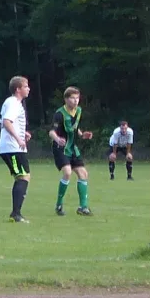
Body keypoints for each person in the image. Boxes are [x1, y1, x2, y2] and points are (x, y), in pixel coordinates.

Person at [49, 86, 94, 216]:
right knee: (67, 173)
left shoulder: (78, 111)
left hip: (73, 148)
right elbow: (52, 132)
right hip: (61, 148)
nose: (75, 101)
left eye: (77, 98)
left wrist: (81, 134)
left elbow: (75, 128)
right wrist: (57, 139)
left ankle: (83, 207)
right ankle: (59, 204)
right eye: (72, 98)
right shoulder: (59, 114)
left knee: (83, 174)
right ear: (66, 99)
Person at [0, 76, 32, 223]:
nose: (28, 89)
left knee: (23, 176)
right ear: (18, 89)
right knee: (22, 177)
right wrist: (18, 139)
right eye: (26, 86)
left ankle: (16, 213)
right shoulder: (14, 103)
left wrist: (23, 133)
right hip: (13, 148)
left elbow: (1, 123)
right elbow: (6, 122)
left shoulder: (11, 103)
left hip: (13, 147)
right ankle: (16, 214)